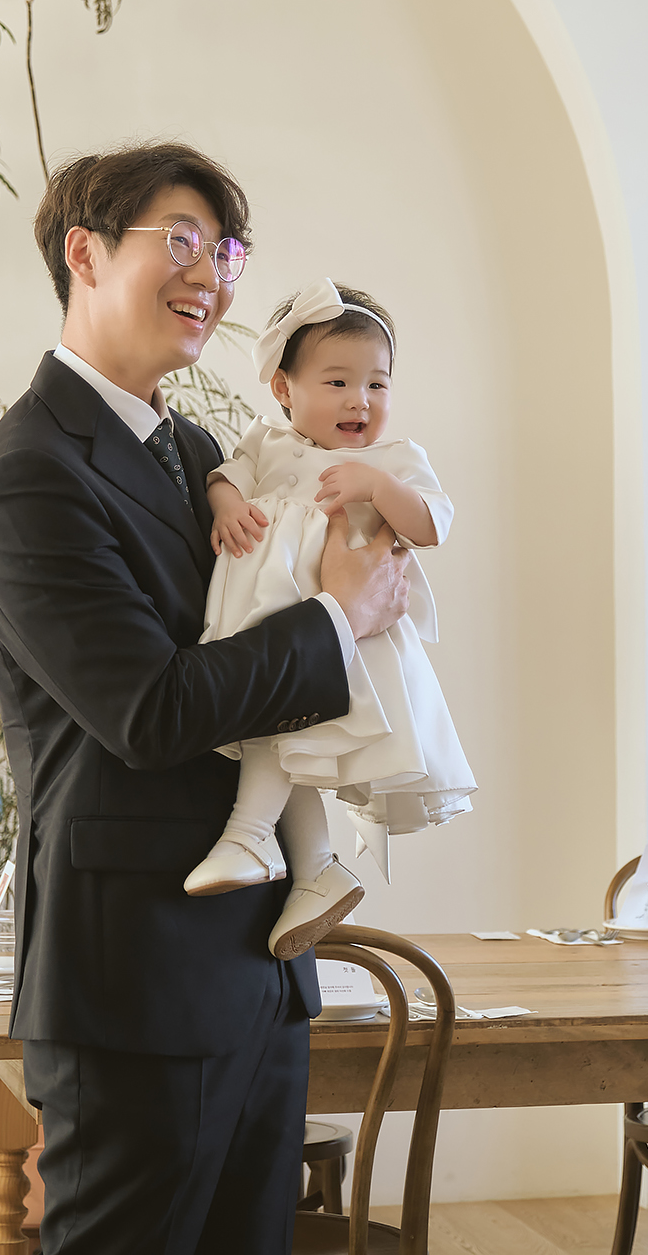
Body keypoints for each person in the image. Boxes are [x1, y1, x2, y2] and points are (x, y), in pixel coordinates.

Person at [0, 144, 411, 1255]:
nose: (211, 275)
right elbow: (150, 710)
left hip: (259, 964)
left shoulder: (197, 449)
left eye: (227, 252)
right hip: (136, 976)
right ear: (84, 253)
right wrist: (339, 619)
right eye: (182, 241)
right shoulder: (27, 476)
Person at [186, 279, 475, 957]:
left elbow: (432, 524)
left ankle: (249, 838)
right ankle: (315, 869)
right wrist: (227, 505)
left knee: (283, 733)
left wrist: (378, 486)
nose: (359, 400)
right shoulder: (266, 442)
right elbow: (224, 478)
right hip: (275, 626)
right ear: (283, 388)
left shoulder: (392, 460)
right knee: (285, 742)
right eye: (338, 381)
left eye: (377, 384)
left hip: (350, 640)